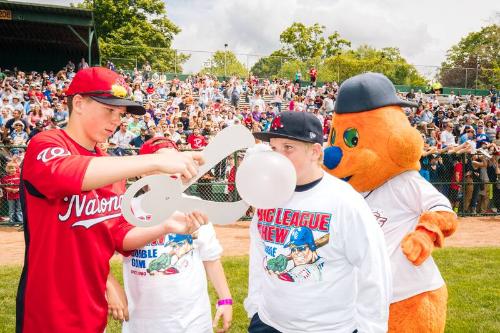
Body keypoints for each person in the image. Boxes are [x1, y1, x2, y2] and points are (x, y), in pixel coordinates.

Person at [16, 67, 208, 333]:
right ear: (79, 103)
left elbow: (117, 236)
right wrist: (156, 160)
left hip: (93, 311)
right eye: (109, 110)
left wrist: (165, 225)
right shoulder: (46, 144)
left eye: (120, 114)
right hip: (47, 312)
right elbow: (65, 173)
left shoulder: (110, 169)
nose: (117, 120)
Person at [245, 111, 391, 332]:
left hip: (328, 328)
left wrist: (371, 328)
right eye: (274, 149)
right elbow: (259, 253)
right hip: (268, 323)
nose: (277, 157)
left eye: (288, 148)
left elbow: (374, 269)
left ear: (314, 152)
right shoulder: (268, 193)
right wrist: (255, 307)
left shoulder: (344, 201)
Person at [114, 137, 233, 333]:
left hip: (193, 320)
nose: (171, 170)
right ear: (143, 170)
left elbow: (210, 257)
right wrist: (110, 289)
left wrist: (225, 299)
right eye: (164, 163)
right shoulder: (129, 209)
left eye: (176, 163)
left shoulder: (194, 204)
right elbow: (97, 254)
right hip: (143, 321)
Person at [1, 161, 22, 226]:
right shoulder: (5, 178)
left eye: (13, 168)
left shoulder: (19, 176)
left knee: (19, 208)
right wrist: (11, 189)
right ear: (7, 170)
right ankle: (12, 221)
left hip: (18, 195)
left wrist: (17, 189)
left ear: (16, 168)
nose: (12, 169)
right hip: (10, 196)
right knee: (11, 209)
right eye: (10, 168)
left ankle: (19, 220)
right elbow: (5, 186)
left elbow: (22, 184)